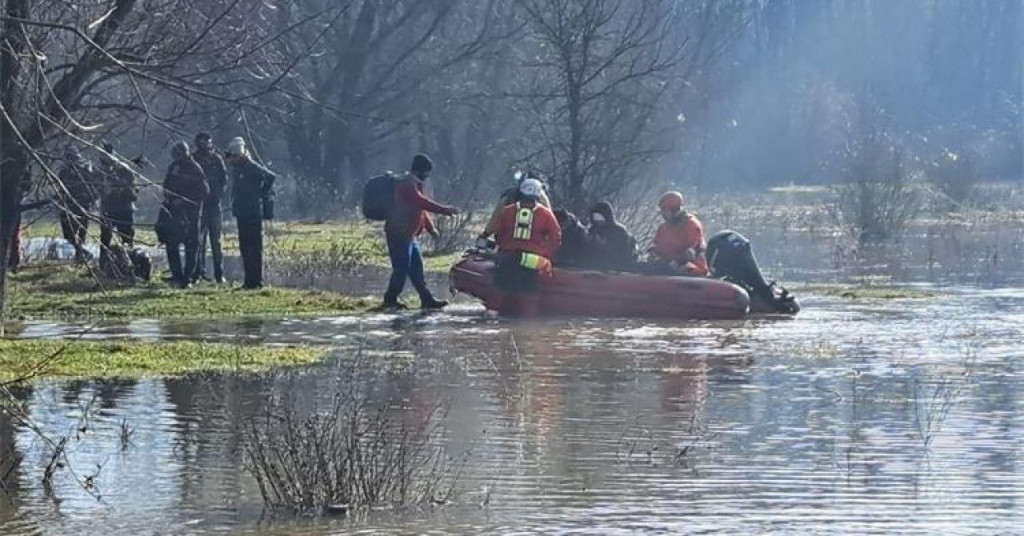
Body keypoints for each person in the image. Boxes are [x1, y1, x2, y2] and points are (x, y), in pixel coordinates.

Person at [381, 153, 457, 310]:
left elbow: (420, 209)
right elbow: (422, 202)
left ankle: (426, 299)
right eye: (427, 172)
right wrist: (444, 210)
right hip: (398, 233)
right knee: (401, 269)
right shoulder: (406, 184)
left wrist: (431, 228)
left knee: (417, 268)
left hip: (409, 235)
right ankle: (390, 300)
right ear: (420, 170)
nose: (428, 176)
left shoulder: (416, 184)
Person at [492, 178, 562, 317]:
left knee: (502, 295)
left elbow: (498, 233)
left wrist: (504, 248)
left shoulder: (507, 211)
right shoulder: (546, 214)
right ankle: (528, 326)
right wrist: (546, 255)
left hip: (508, 259)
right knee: (530, 297)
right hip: (533, 261)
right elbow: (556, 237)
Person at [226, 136, 275, 289]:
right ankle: (249, 281)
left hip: (253, 213)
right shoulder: (237, 168)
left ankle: (256, 281)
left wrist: (260, 194)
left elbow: (270, 177)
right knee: (245, 248)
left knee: (254, 248)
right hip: (241, 212)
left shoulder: (251, 166)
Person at [161, 141, 209, 288]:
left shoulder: (195, 169)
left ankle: (187, 278)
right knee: (171, 244)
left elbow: (204, 191)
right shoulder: (173, 167)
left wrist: (184, 201)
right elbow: (166, 186)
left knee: (191, 246)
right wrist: (171, 199)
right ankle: (176, 276)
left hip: (191, 214)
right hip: (174, 214)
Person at [477, 171, 552, 245]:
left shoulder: (509, 196)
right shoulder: (542, 197)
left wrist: (485, 234)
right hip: (536, 247)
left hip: (506, 245)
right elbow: (551, 222)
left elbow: (496, 218)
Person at [191, 132, 227, 283]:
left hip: (214, 205)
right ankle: (199, 272)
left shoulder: (217, 159)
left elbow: (224, 180)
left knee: (216, 241)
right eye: (202, 141)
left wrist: (218, 196)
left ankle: (219, 274)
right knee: (199, 241)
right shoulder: (193, 160)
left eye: (207, 141)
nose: (205, 144)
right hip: (199, 205)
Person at [97, 143, 139, 268]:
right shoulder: (99, 170)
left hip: (124, 208)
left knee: (127, 237)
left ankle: (130, 265)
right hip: (107, 208)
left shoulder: (124, 169)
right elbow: (94, 188)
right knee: (105, 238)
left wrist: (118, 187)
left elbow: (133, 191)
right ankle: (104, 265)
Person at [648, 191, 708, 276]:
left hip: (691, 269)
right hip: (667, 269)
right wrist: (654, 254)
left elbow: (690, 254)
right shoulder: (663, 227)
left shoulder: (691, 225)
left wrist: (673, 262)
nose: (662, 214)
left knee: (683, 268)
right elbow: (657, 247)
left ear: (674, 209)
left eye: (664, 210)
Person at [57, 147, 100, 262]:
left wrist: (90, 201)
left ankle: (81, 256)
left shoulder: (85, 172)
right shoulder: (63, 173)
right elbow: (61, 190)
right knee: (68, 235)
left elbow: (95, 188)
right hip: (67, 207)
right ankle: (82, 253)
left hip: (82, 206)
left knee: (81, 234)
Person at [585, 201, 637, 271]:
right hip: (593, 269)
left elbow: (623, 255)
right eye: (595, 218)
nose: (598, 221)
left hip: (615, 271)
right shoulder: (592, 231)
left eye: (600, 218)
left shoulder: (620, 232)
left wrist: (604, 245)